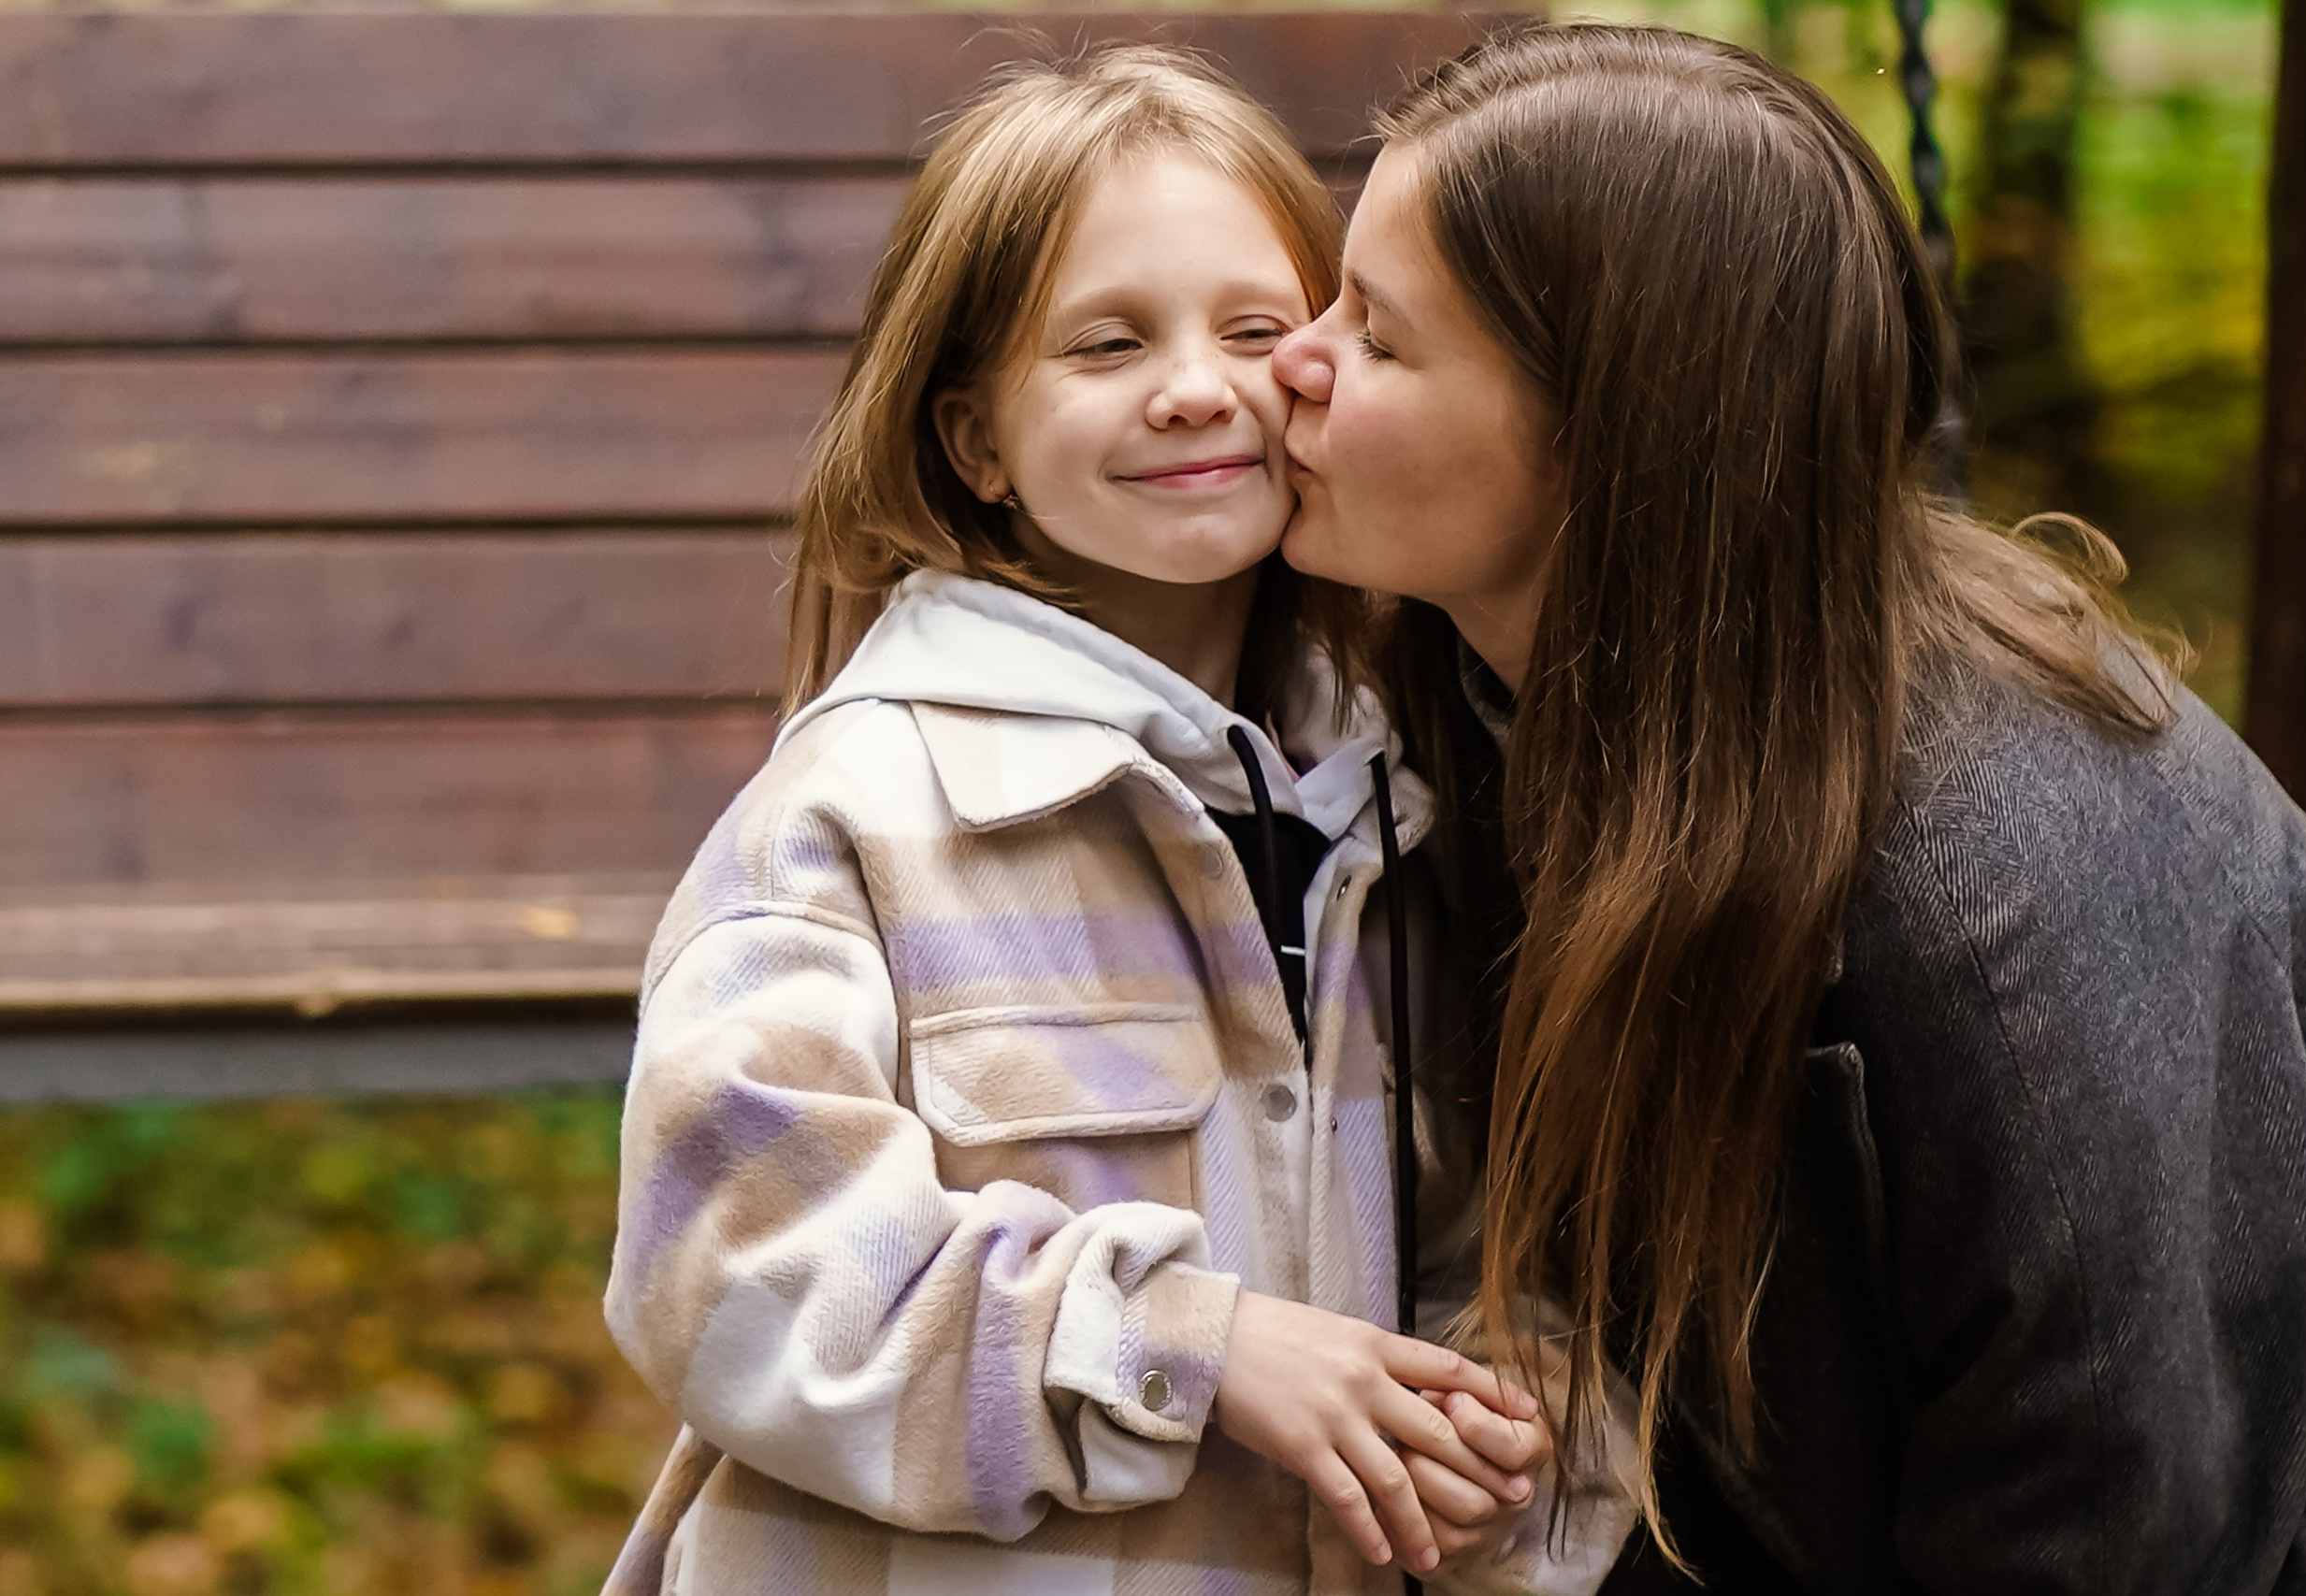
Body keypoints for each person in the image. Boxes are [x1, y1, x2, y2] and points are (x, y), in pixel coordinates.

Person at [1270, 22, 2306, 1594]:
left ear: (1614, 437)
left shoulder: (1997, 868)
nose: (1292, 363)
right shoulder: (1506, 700)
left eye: (1377, 338)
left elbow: (2122, 1488)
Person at [598, 47, 1606, 1596]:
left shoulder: (1403, 810)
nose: (1197, 385)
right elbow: (729, 1272)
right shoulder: (862, 810)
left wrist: (1496, 1430)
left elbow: (1501, 1241)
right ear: (977, 441)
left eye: (1257, 329)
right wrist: (1195, 1349)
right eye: (1107, 342)